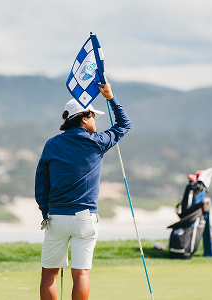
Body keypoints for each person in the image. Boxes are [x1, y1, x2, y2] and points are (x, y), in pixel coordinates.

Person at [35, 82, 131, 300]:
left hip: (56, 217)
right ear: (84, 118)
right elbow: (124, 125)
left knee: (49, 273)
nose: (96, 121)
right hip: (85, 218)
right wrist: (110, 98)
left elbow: (41, 182)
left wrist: (45, 212)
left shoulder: (51, 144)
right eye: (93, 117)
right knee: (81, 273)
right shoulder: (96, 142)